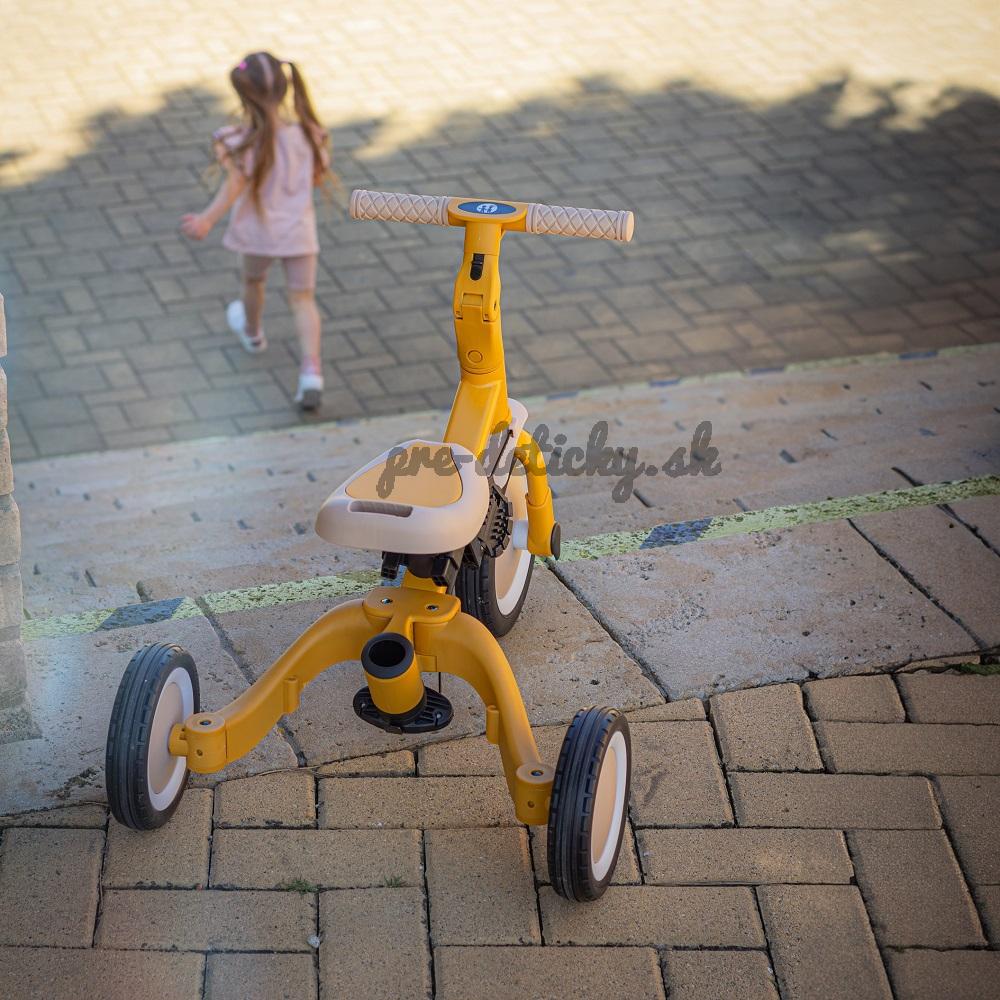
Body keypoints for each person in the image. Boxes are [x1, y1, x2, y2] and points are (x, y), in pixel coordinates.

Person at [181, 52, 331, 410]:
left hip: (258, 235)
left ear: (243, 96)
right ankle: (311, 372)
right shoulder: (310, 134)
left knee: (253, 282)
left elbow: (234, 185)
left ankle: (252, 333)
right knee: (303, 299)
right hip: (299, 233)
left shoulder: (238, 141)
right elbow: (317, 176)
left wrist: (207, 219)